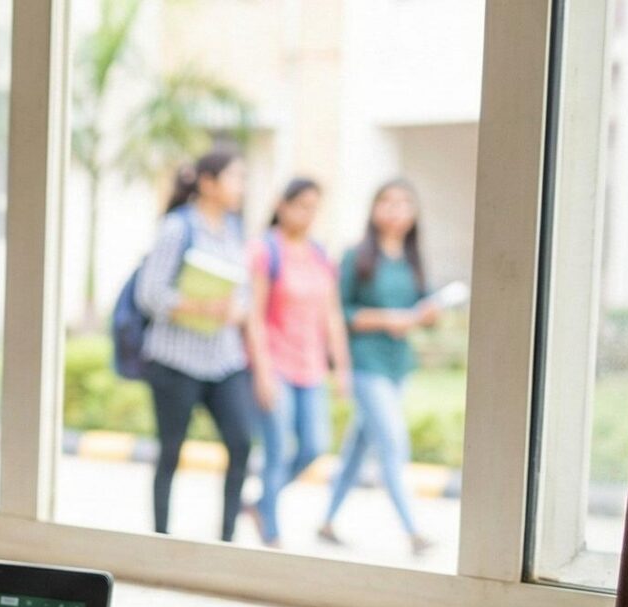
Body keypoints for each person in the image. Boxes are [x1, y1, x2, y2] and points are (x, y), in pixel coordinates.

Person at [132, 148, 261, 542]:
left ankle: (226, 540)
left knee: (240, 444)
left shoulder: (235, 229)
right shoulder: (178, 227)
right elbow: (149, 294)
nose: (240, 186)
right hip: (176, 360)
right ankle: (161, 538)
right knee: (171, 451)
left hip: (223, 359)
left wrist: (236, 310)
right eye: (234, 177)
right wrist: (202, 305)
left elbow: (242, 291)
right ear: (208, 182)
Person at [321, 178, 440, 554]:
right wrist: (388, 318)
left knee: (358, 446)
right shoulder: (357, 256)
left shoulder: (411, 259)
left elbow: (422, 308)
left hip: (396, 364)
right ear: (373, 209)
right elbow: (339, 312)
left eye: (404, 202)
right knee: (392, 441)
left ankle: (326, 521)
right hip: (365, 362)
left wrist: (428, 313)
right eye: (387, 201)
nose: (395, 209)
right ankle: (414, 531)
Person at [243, 177, 353, 548]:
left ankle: (260, 504)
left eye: (313, 207)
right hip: (275, 365)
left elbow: (332, 315)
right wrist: (261, 372)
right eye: (301, 205)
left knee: (314, 446)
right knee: (277, 450)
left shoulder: (320, 254)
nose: (307, 214)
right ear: (282, 205)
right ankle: (271, 533)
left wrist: (342, 369)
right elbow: (254, 316)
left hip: (311, 368)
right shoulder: (265, 250)